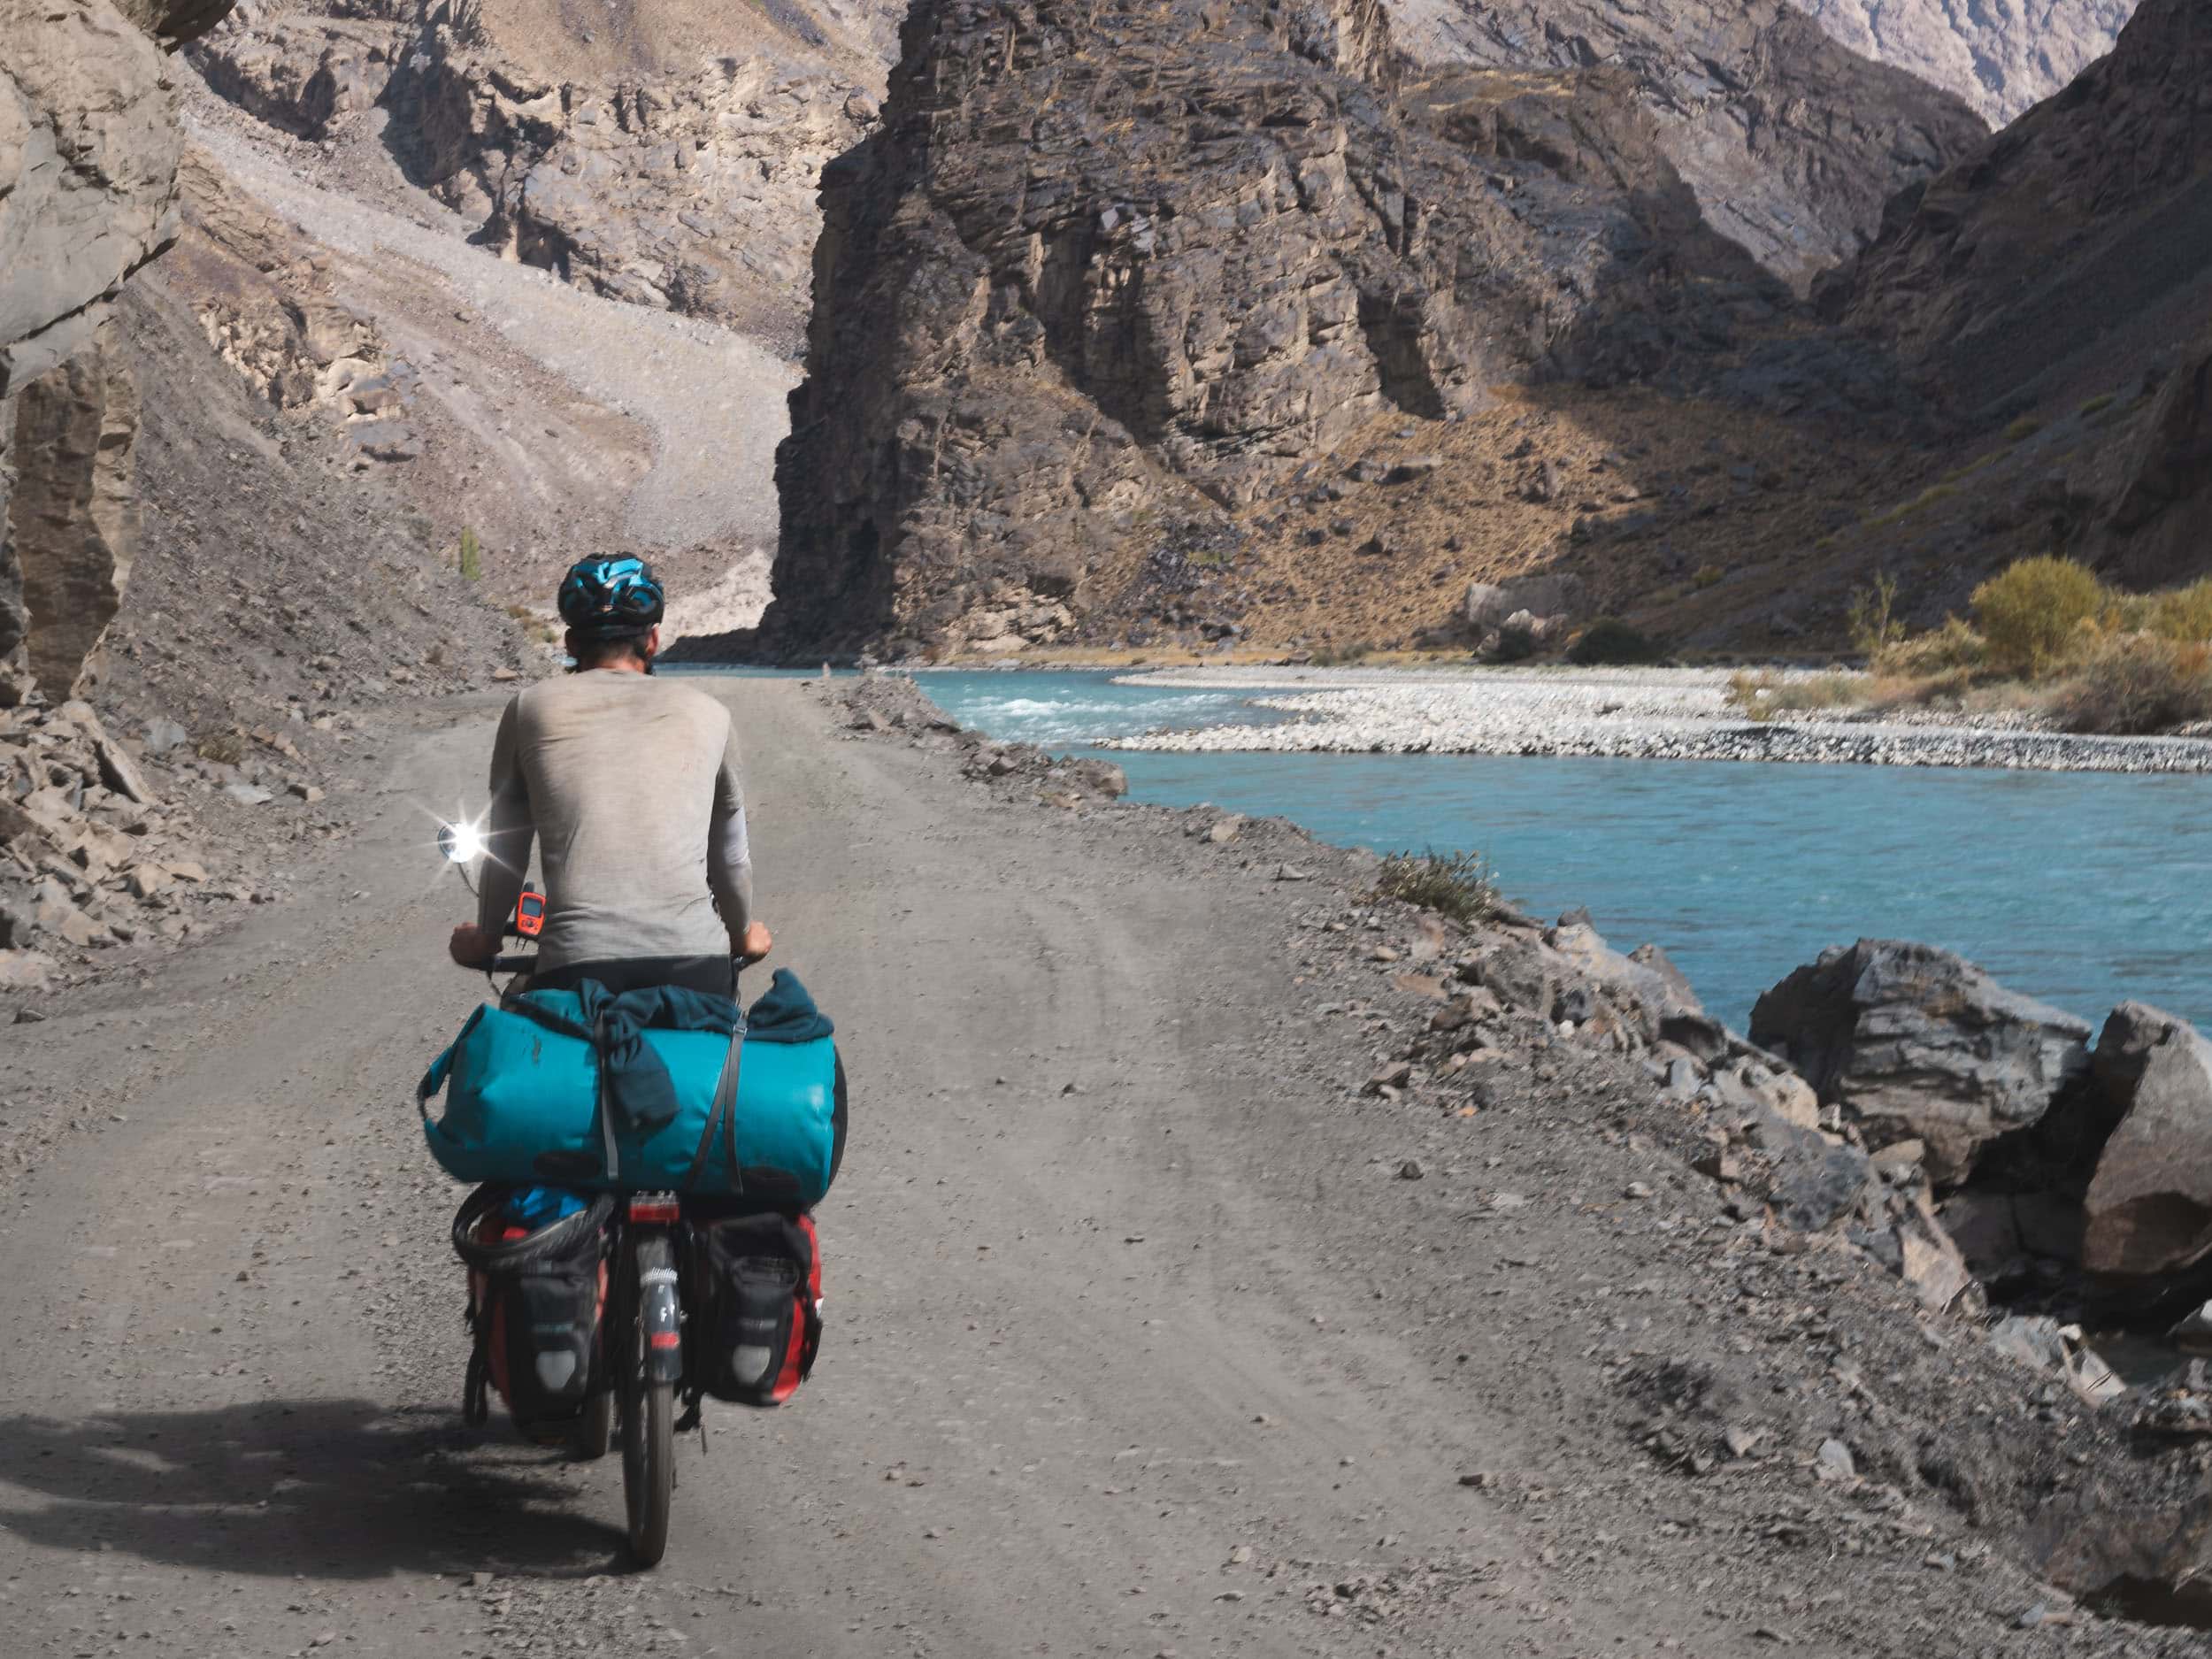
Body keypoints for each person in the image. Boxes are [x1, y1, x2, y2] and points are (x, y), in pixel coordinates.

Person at [449, 555, 771, 993]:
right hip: (697, 965)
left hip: (576, 967)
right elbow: (731, 858)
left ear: (569, 644)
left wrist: (485, 939)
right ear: (653, 641)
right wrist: (743, 935)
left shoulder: (529, 708)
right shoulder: (712, 714)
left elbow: (509, 846)